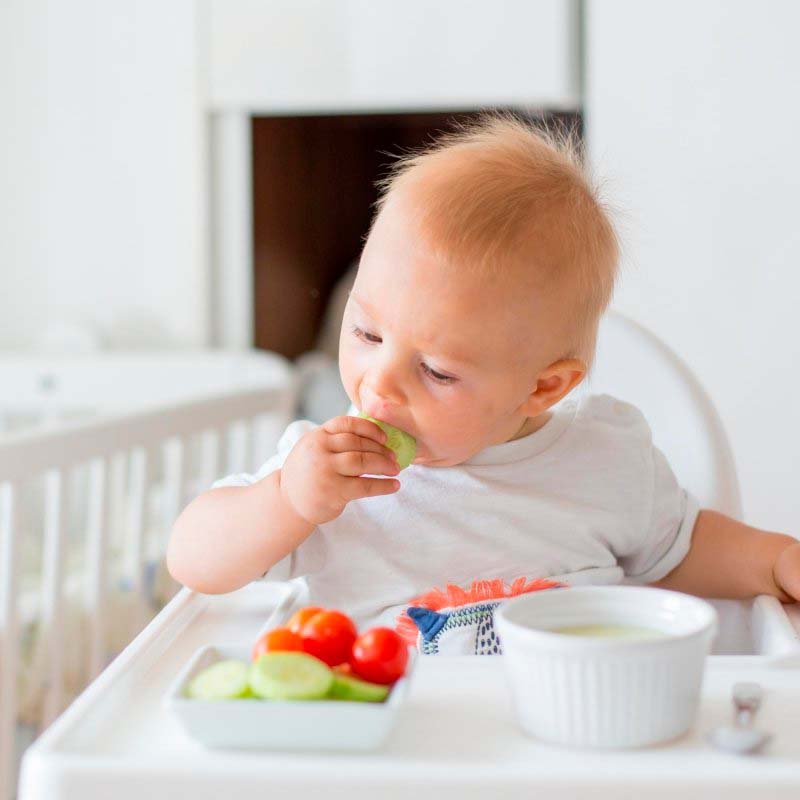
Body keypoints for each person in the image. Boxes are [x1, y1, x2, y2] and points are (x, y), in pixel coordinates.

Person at [167, 114, 800, 629]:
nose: (379, 381)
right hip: (392, 745)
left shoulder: (606, 461)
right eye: (365, 333)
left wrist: (775, 560)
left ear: (544, 386)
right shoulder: (331, 477)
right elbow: (194, 561)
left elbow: (681, 552)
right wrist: (286, 500)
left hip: (560, 738)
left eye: (437, 372)